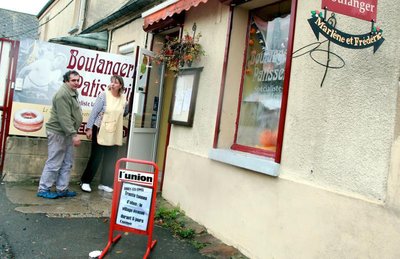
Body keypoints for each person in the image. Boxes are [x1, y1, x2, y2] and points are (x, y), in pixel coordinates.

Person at [37, 70, 83, 199]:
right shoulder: (62, 95)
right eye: (73, 80)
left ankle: (62, 189)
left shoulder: (72, 92)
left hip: (66, 133)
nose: (76, 83)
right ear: (66, 81)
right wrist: (74, 134)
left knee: (67, 162)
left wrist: (71, 133)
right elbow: (64, 118)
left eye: (78, 80)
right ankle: (43, 189)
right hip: (58, 132)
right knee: (54, 162)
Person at [80, 75, 128, 193]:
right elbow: (94, 112)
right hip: (100, 129)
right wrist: (89, 128)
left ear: (120, 85)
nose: (113, 84)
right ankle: (85, 181)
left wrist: (128, 106)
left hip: (114, 131)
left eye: (116, 82)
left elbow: (125, 113)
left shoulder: (123, 98)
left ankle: (105, 183)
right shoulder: (103, 95)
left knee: (111, 157)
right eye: (112, 82)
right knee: (96, 157)